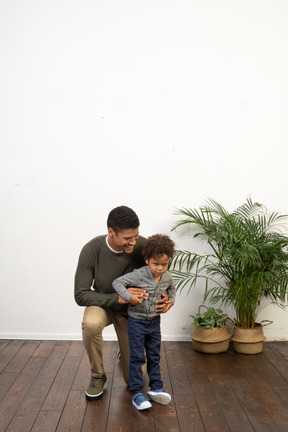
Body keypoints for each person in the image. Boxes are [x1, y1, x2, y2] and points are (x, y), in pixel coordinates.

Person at [74, 206, 170, 401]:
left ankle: (124, 354)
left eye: (136, 236)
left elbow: (162, 268)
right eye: (127, 238)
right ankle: (97, 376)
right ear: (111, 232)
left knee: (135, 378)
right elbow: (81, 294)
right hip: (103, 305)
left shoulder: (143, 245)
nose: (133, 242)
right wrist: (117, 297)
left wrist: (165, 295)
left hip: (132, 313)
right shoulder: (91, 250)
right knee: (90, 324)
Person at [112, 234, 176, 410]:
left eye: (164, 264)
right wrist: (129, 297)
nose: (160, 268)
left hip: (155, 322)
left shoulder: (167, 277)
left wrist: (170, 301)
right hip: (136, 323)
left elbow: (172, 290)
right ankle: (137, 393)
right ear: (147, 260)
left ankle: (156, 388)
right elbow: (117, 283)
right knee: (138, 357)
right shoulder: (138, 275)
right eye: (156, 264)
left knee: (154, 356)